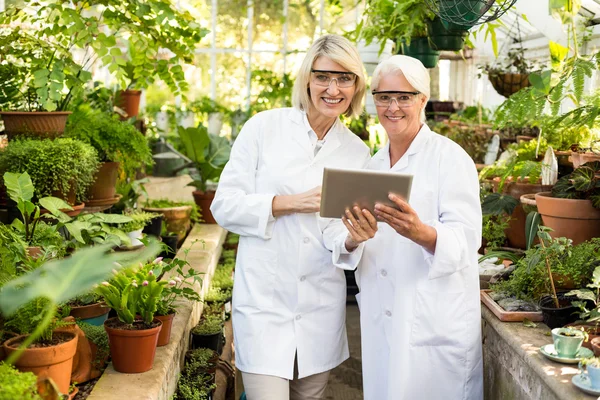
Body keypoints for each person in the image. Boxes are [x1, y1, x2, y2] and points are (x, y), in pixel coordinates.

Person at [210, 34, 371, 400]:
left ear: (357, 85)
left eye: (345, 78)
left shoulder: (357, 153)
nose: (334, 89)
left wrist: (352, 238)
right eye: (323, 77)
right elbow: (224, 206)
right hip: (264, 304)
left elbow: (335, 232)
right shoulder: (263, 129)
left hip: (319, 312)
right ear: (307, 79)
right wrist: (286, 203)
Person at [325, 55, 484, 400]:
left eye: (404, 97)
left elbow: (468, 238)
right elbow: (337, 233)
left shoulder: (450, 158)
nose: (392, 107)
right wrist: (354, 238)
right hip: (384, 320)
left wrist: (421, 233)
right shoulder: (372, 165)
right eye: (384, 97)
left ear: (422, 100)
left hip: (434, 322)